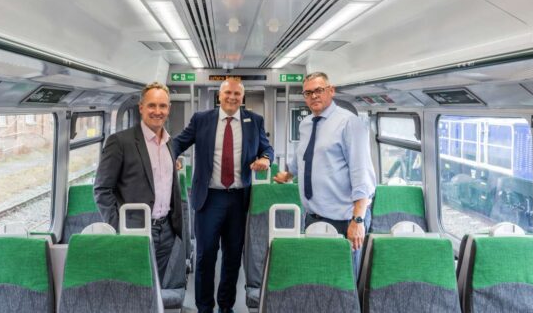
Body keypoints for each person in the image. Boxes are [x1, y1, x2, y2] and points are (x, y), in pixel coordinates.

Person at [172, 77, 273, 313]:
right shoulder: (202, 120)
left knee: (232, 258)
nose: (232, 97)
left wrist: (266, 159)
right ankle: (204, 307)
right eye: (228, 93)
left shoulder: (254, 121)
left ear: (242, 97)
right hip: (209, 198)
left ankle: (225, 307)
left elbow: (266, 148)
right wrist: (172, 156)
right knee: (206, 256)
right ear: (219, 95)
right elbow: (179, 142)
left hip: (239, 199)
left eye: (237, 94)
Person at [274, 71, 375, 278]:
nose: (313, 96)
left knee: (343, 281)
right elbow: (303, 156)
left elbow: (361, 174)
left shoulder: (350, 123)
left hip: (344, 219)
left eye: (319, 90)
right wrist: (288, 174)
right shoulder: (306, 123)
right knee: (317, 279)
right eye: (308, 92)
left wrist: (358, 220)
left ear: (331, 91)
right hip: (312, 216)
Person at [94, 81, 182, 283]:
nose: (157, 111)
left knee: (157, 286)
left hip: (166, 229)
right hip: (135, 229)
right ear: (141, 107)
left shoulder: (170, 143)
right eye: (152, 105)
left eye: (162, 106)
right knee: (135, 286)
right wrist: (119, 227)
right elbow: (102, 189)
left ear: (169, 109)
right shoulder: (120, 141)